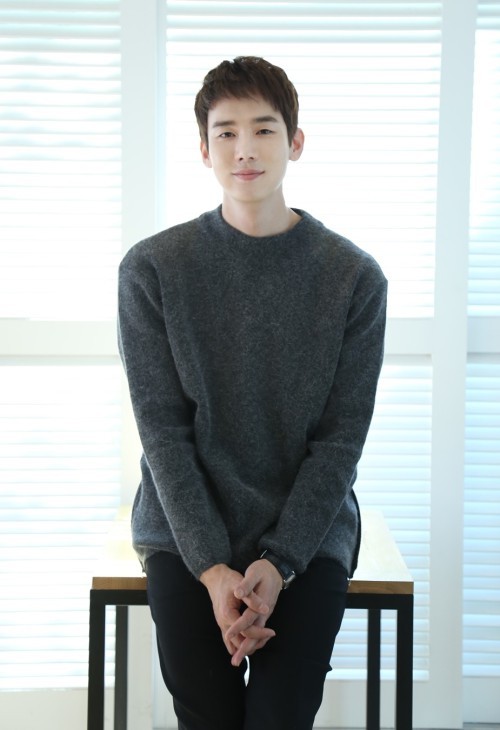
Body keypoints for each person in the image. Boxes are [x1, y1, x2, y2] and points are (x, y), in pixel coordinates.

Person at [118, 56, 387, 730]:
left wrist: (281, 562)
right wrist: (213, 570)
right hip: (186, 532)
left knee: (280, 714)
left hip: (305, 531)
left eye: (264, 130)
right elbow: (162, 434)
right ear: (204, 148)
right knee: (206, 712)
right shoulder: (152, 269)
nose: (245, 149)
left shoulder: (355, 278)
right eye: (227, 132)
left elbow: (339, 443)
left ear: (295, 143)